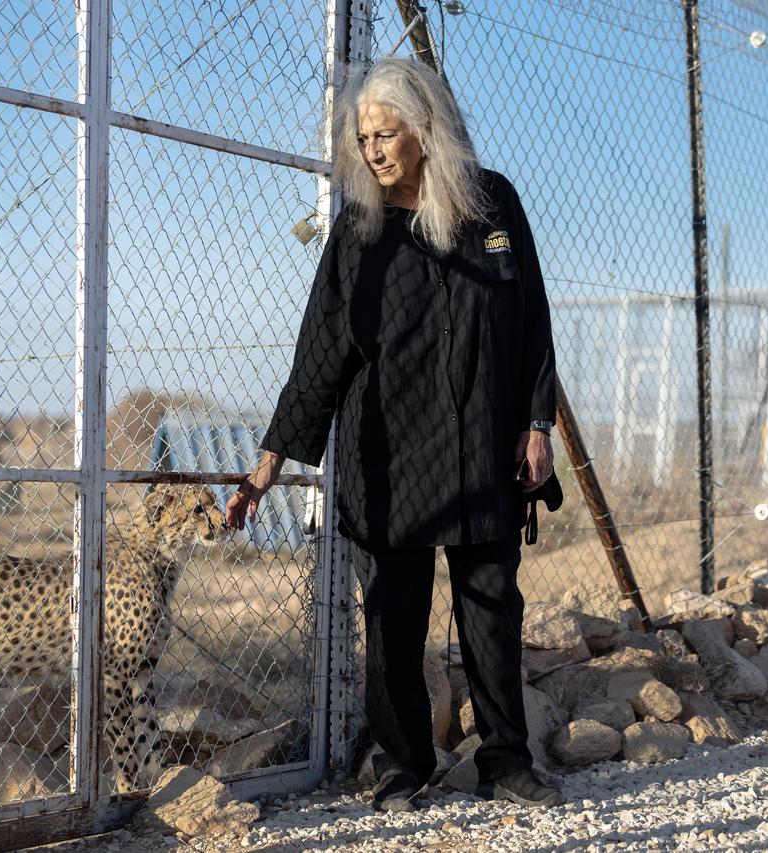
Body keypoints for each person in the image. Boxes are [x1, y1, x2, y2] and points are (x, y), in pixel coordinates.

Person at [225, 56, 561, 812]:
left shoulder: (492, 204)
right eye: (363, 137)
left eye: (386, 133)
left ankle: (506, 760)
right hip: (391, 456)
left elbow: (533, 321)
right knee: (394, 618)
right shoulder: (359, 230)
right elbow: (320, 354)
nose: (372, 149)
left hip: (485, 448)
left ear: (425, 129)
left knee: (492, 608)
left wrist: (537, 424)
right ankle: (402, 764)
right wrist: (268, 465)